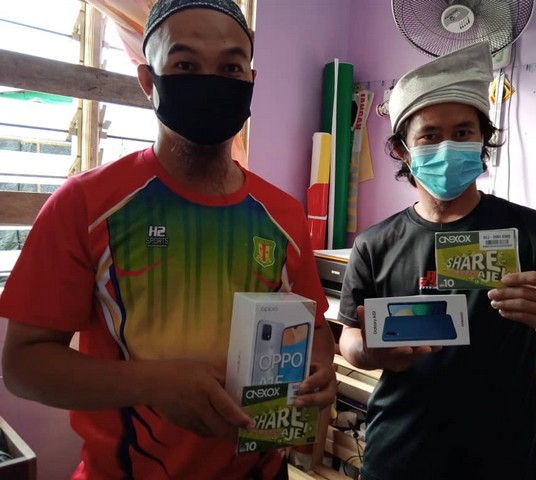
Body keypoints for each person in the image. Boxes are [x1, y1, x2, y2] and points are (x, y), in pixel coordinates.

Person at [0, 1, 336, 479]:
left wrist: (320, 370)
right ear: (148, 80)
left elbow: (314, 328)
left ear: (251, 80)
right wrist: (153, 383)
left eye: (230, 67)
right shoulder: (85, 204)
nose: (210, 81)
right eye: (185, 65)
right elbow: (23, 365)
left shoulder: (282, 213)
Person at [337, 41, 536, 480]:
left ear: (483, 140)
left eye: (463, 133)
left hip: (501, 464)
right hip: (395, 460)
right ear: (402, 149)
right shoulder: (373, 244)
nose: (448, 147)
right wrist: (370, 350)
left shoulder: (535, 233)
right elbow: (349, 338)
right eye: (429, 136)